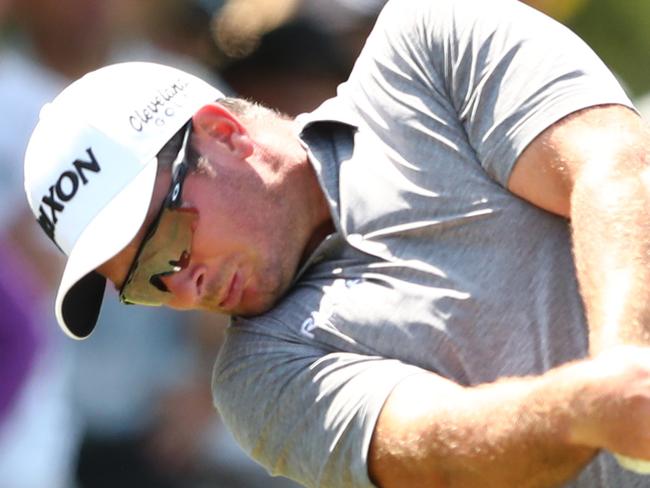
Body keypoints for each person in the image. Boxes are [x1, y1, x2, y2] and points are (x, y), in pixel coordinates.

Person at [22, 0, 650, 486]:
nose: (182, 290)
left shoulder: (431, 40)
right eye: (143, 283)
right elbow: (435, 451)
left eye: (164, 246)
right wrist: (589, 410)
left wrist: (626, 366)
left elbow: (613, 166)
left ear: (223, 135)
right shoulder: (258, 377)